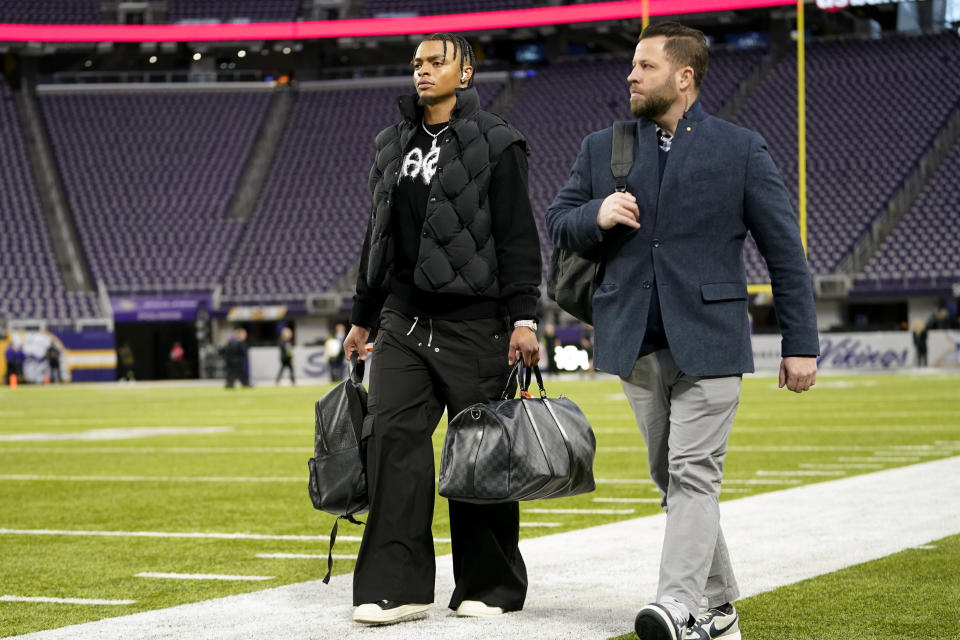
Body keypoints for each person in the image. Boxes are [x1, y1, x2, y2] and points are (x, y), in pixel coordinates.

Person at [546, 22, 819, 640]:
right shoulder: (603, 147)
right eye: (633, 66)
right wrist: (598, 213)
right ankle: (721, 607)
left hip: (712, 338)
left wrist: (800, 343)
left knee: (694, 471)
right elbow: (558, 221)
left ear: (683, 76)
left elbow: (786, 255)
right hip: (633, 341)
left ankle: (678, 605)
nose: (631, 75)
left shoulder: (741, 148)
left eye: (644, 66)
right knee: (671, 476)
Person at [342, 32, 542, 626]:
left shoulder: (499, 141)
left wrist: (523, 316)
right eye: (417, 63)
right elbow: (378, 238)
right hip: (403, 320)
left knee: (478, 455)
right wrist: (362, 317)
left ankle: (492, 584)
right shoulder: (390, 143)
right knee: (393, 447)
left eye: (436, 62)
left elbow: (516, 237)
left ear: (467, 71)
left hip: (475, 323)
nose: (423, 71)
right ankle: (395, 587)